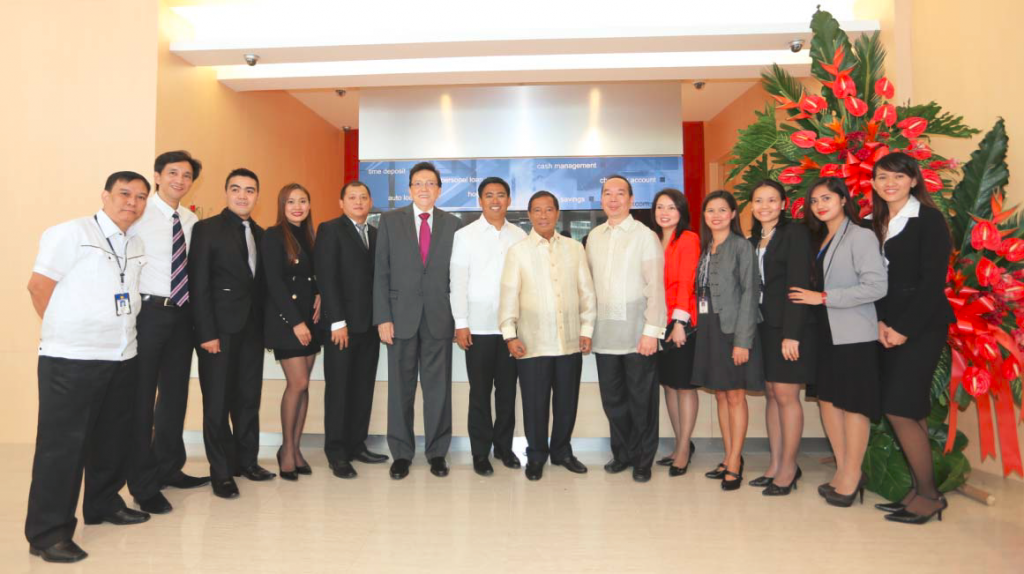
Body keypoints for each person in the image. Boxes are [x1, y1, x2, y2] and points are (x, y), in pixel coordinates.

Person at [25, 172, 152, 563]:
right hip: (72, 358)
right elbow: (38, 286)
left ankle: (103, 504)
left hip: (121, 355)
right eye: (124, 194)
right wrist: (67, 331)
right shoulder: (70, 233)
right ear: (105, 196)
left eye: (141, 196)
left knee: (111, 439)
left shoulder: (136, 242)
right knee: (62, 447)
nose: (132, 202)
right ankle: (48, 533)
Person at [789, 177, 887, 508]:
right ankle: (846, 470)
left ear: (844, 199)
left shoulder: (860, 236)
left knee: (853, 404)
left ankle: (851, 474)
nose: (820, 205)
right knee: (829, 401)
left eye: (826, 198)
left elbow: (876, 287)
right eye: (814, 200)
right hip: (823, 333)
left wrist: (824, 297)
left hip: (853, 333)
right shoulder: (818, 238)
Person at [870, 152, 956, 524]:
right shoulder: (877, 221)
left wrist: (904, 328)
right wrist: (880, 323)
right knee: (910, 408)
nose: (889, 183)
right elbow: (875, 280)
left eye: (898, 177)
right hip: (887, 326)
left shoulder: (929, 219)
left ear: (913, 180)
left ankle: (930, 496)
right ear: (873, 183)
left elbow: (932, 282)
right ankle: (919, 489)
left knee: (899, 407)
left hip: (921, 326)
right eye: (882, 177)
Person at [125, 151, 207, 518]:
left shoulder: (191, 219)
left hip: (182, 314)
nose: (179, 179)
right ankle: (142, 484)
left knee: (174, 395)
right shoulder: (139, 214)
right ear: (157, 176)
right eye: (172, 173)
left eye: (186, 175)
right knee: (142, 401)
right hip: (148, 313)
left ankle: (169, 467)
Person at [190, 168, 275, 499]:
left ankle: (247, 461)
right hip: (218, 333)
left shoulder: (261, 233)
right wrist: (206, 332)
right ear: (226, 192)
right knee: (216, 403)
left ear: (257, 195)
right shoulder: (206, 230)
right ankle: (221, 472)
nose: (243, 195)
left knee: (247, 399)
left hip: (251, 331)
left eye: (250, 190)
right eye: (236, 189)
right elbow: (198, 285)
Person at [373, 161, 462, 480]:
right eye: (418, 184)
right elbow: (381, 271)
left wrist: (459, 318)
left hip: (440, 318)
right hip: (400, 318)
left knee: (438, 390)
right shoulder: (390, 220)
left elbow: (459, 276)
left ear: (439, 189)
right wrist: (382, 316)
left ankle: (437, 452)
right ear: (409, 190)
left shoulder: (453, 223)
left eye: (430, 184)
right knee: (400, 389)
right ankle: (401, 453)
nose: (424, 189)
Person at [499, 191, 596, 481]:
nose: (543, 215)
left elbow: (586, 293)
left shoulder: (574, 248)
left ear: (557, 213)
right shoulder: (518, 251)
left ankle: (562, 451)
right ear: (529, 215)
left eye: (549, 209)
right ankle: (537, 454)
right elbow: (508, 295)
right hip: (532, 342)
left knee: (567, 401)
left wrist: (586, 329)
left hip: (569, 342)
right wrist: (509, 334)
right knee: (534, 403)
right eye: (537, 210)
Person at [586, 176, 666, 483]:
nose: (614, 198)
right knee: (614, 401)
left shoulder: (645, 236)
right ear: (602, 199)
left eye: (621, 193)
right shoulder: (594, 236)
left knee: (641, 401)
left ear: (632, 200)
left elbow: (655, 288)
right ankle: (622, 454)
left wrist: (652, 331)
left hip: (638, 336)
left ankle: (643, 459)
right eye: (608, 193)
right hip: (605, 336)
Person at [450, 176, 528, 476]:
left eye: (501, 195)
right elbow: (457, 282)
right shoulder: (465, 235)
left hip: (510, 330)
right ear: (480, 200)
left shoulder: (520, 235)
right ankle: (480, 452)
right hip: (478, 329)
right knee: (479, 393)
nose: (495, 200)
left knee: (507, 392)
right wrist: (461, 323)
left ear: (509, 200)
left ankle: (504, 448)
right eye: (489, 195)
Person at [315, 180, 387, 479]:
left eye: (364, 197)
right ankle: (336, 452)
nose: (359, 201)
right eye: (352, 197)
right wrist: (337, 321)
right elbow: (326, 277)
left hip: (369, 326)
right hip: (341, 328)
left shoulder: (375, 233)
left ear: (371, 202)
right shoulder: (330, 230)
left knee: (362, 388)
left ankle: (357, 444)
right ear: (341, 202)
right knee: (339, 390)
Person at [747, 180, 815, 496]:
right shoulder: (751, 240)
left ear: (784, 204)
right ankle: (775, 463)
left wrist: (792, 334)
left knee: (787, 396)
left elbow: (798, 284)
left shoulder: (795, 234)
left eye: (772, 200)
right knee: (772, 394)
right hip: (761, 326)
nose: (765, 206)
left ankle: (789, 467)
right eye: (758, 200)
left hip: (786, 327)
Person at [692, 190, 763, 491]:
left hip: (734, 329)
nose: (716, 215)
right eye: (711, 210)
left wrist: (742, 341)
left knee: (735, 395)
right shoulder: (706, 247)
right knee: (721, 394)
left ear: (733, 214)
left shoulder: (741, 246)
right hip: (709, 327)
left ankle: (735, 460)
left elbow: (750, 293)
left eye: (723, 210)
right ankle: (728, 454)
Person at [262, 183, 321, 480]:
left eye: (303, 200)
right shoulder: (273, 236)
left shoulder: (310, 236)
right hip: (288, 323)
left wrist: (320, 293)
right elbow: (274, 282)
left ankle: (296, 448)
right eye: (291, 202)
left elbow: (314, 276)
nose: (297, 206)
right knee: (296, 383)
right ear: (282, 206)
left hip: (311, 320)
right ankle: (286, 450)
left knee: (305, 385)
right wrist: (296, 323)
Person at [651, 188, 701, 477]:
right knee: (669, 384)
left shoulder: (688, 239)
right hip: (658, 321)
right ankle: (680, 443)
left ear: (681, 211)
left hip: (681, 322)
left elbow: (687, 281)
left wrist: (680, 323)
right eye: (660, 207)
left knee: (683, 386)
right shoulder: (654, 240)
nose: (665, 212)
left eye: (671, 207)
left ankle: (684, 447)